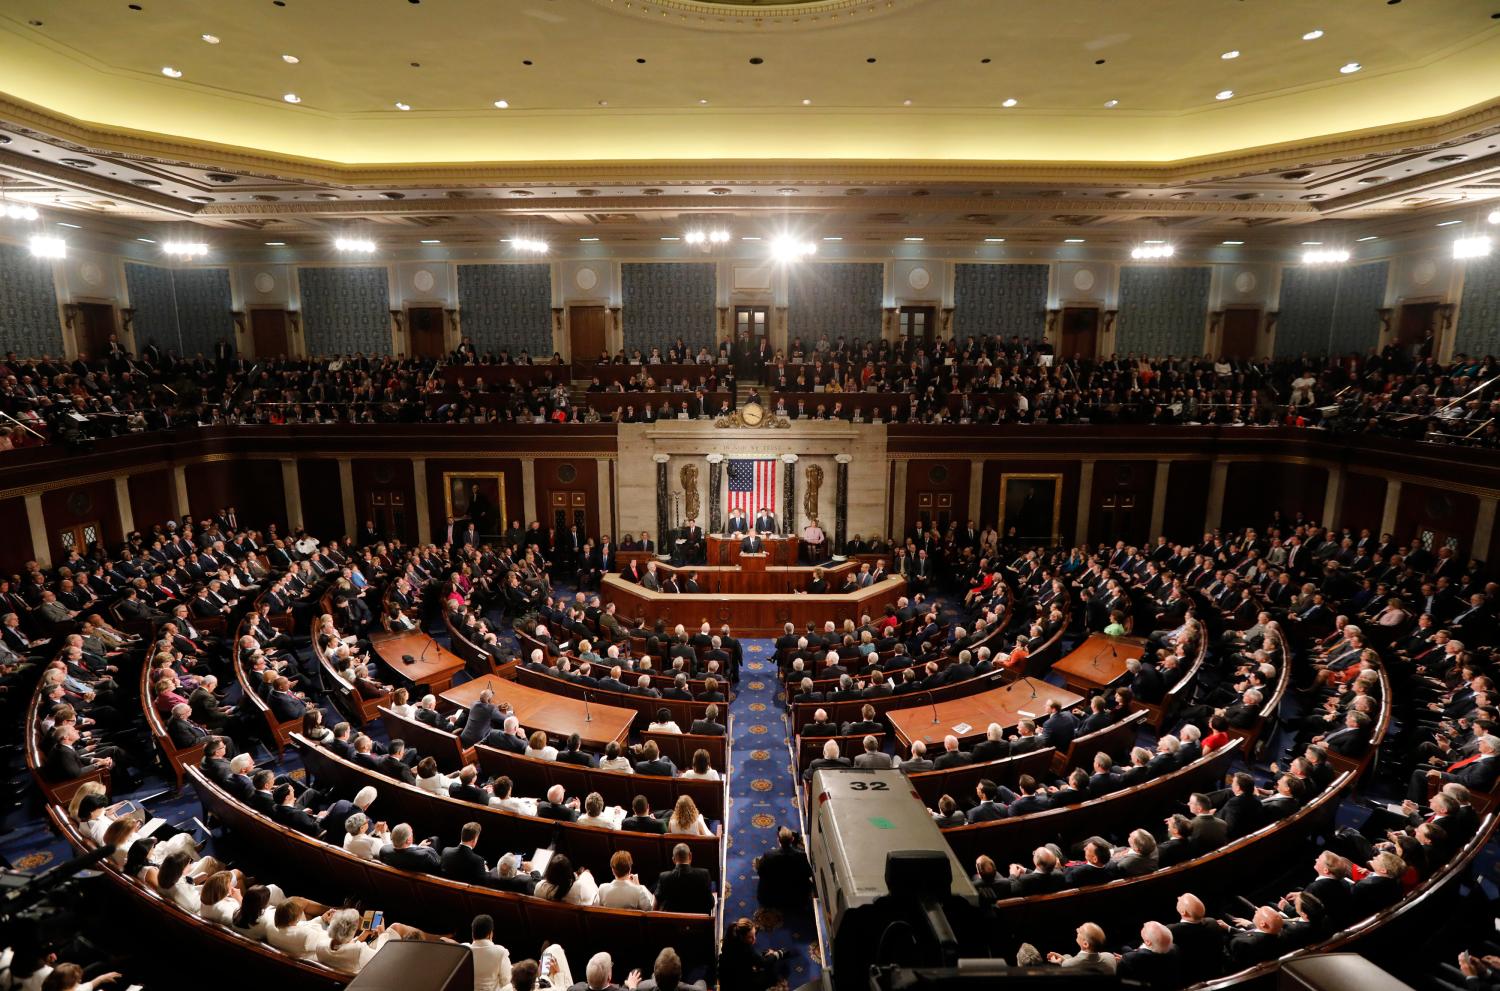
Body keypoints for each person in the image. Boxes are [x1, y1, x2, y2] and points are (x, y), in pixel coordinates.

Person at [717, 918, 786, 991]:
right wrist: (777, 954)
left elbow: (751, 957)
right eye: (750, 937)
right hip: (740, 986)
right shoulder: (746, 949)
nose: (754, 939)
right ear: (741, 937)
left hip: (727, 982)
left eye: (754, 935)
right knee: (770, 973)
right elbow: (763, 963)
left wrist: (763, 955)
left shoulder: (730, 940)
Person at [754, 827, 813, 910]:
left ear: (778, 840)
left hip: (773, 896)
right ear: (792, 839)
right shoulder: (801, 855)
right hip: (795, 896)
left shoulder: (768, 855)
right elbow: (808, 873)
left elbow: (760, 873)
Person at [654, 843, 714, 913]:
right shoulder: (704, 874)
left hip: (672, 922)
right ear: (690, 856)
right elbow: (710, 904)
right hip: (698, 921)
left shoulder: (663, 877)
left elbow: (656, 903)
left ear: (673, 859)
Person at [466, 913, 514, 991]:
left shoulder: (464, 950)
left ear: (472, 934)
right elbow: (506, 981)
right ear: (490, 934)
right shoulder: (500, 952)